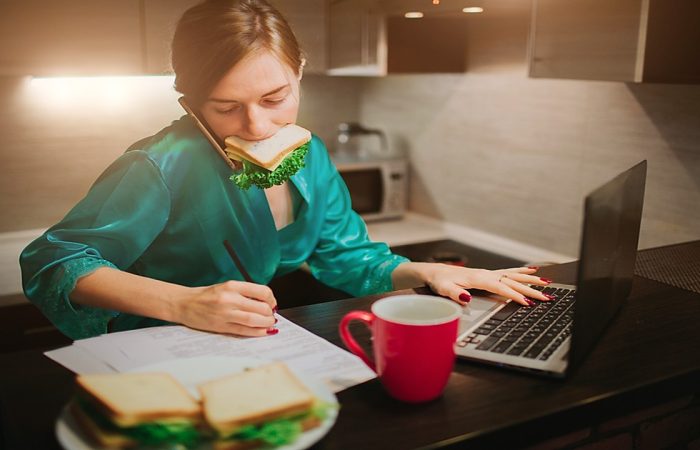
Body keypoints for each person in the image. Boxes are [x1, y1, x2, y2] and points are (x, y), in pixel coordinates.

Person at [19, 0, 553, 341]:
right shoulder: (160, 164)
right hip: (154, 353)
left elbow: (347, 257)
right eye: (224, 106)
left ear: (299, 71)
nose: (256, 125)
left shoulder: (312, 153)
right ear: (190, 100)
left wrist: (425, 272)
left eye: (275, 97)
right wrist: (182, 302)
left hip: (245, 348)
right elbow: (51, 261)